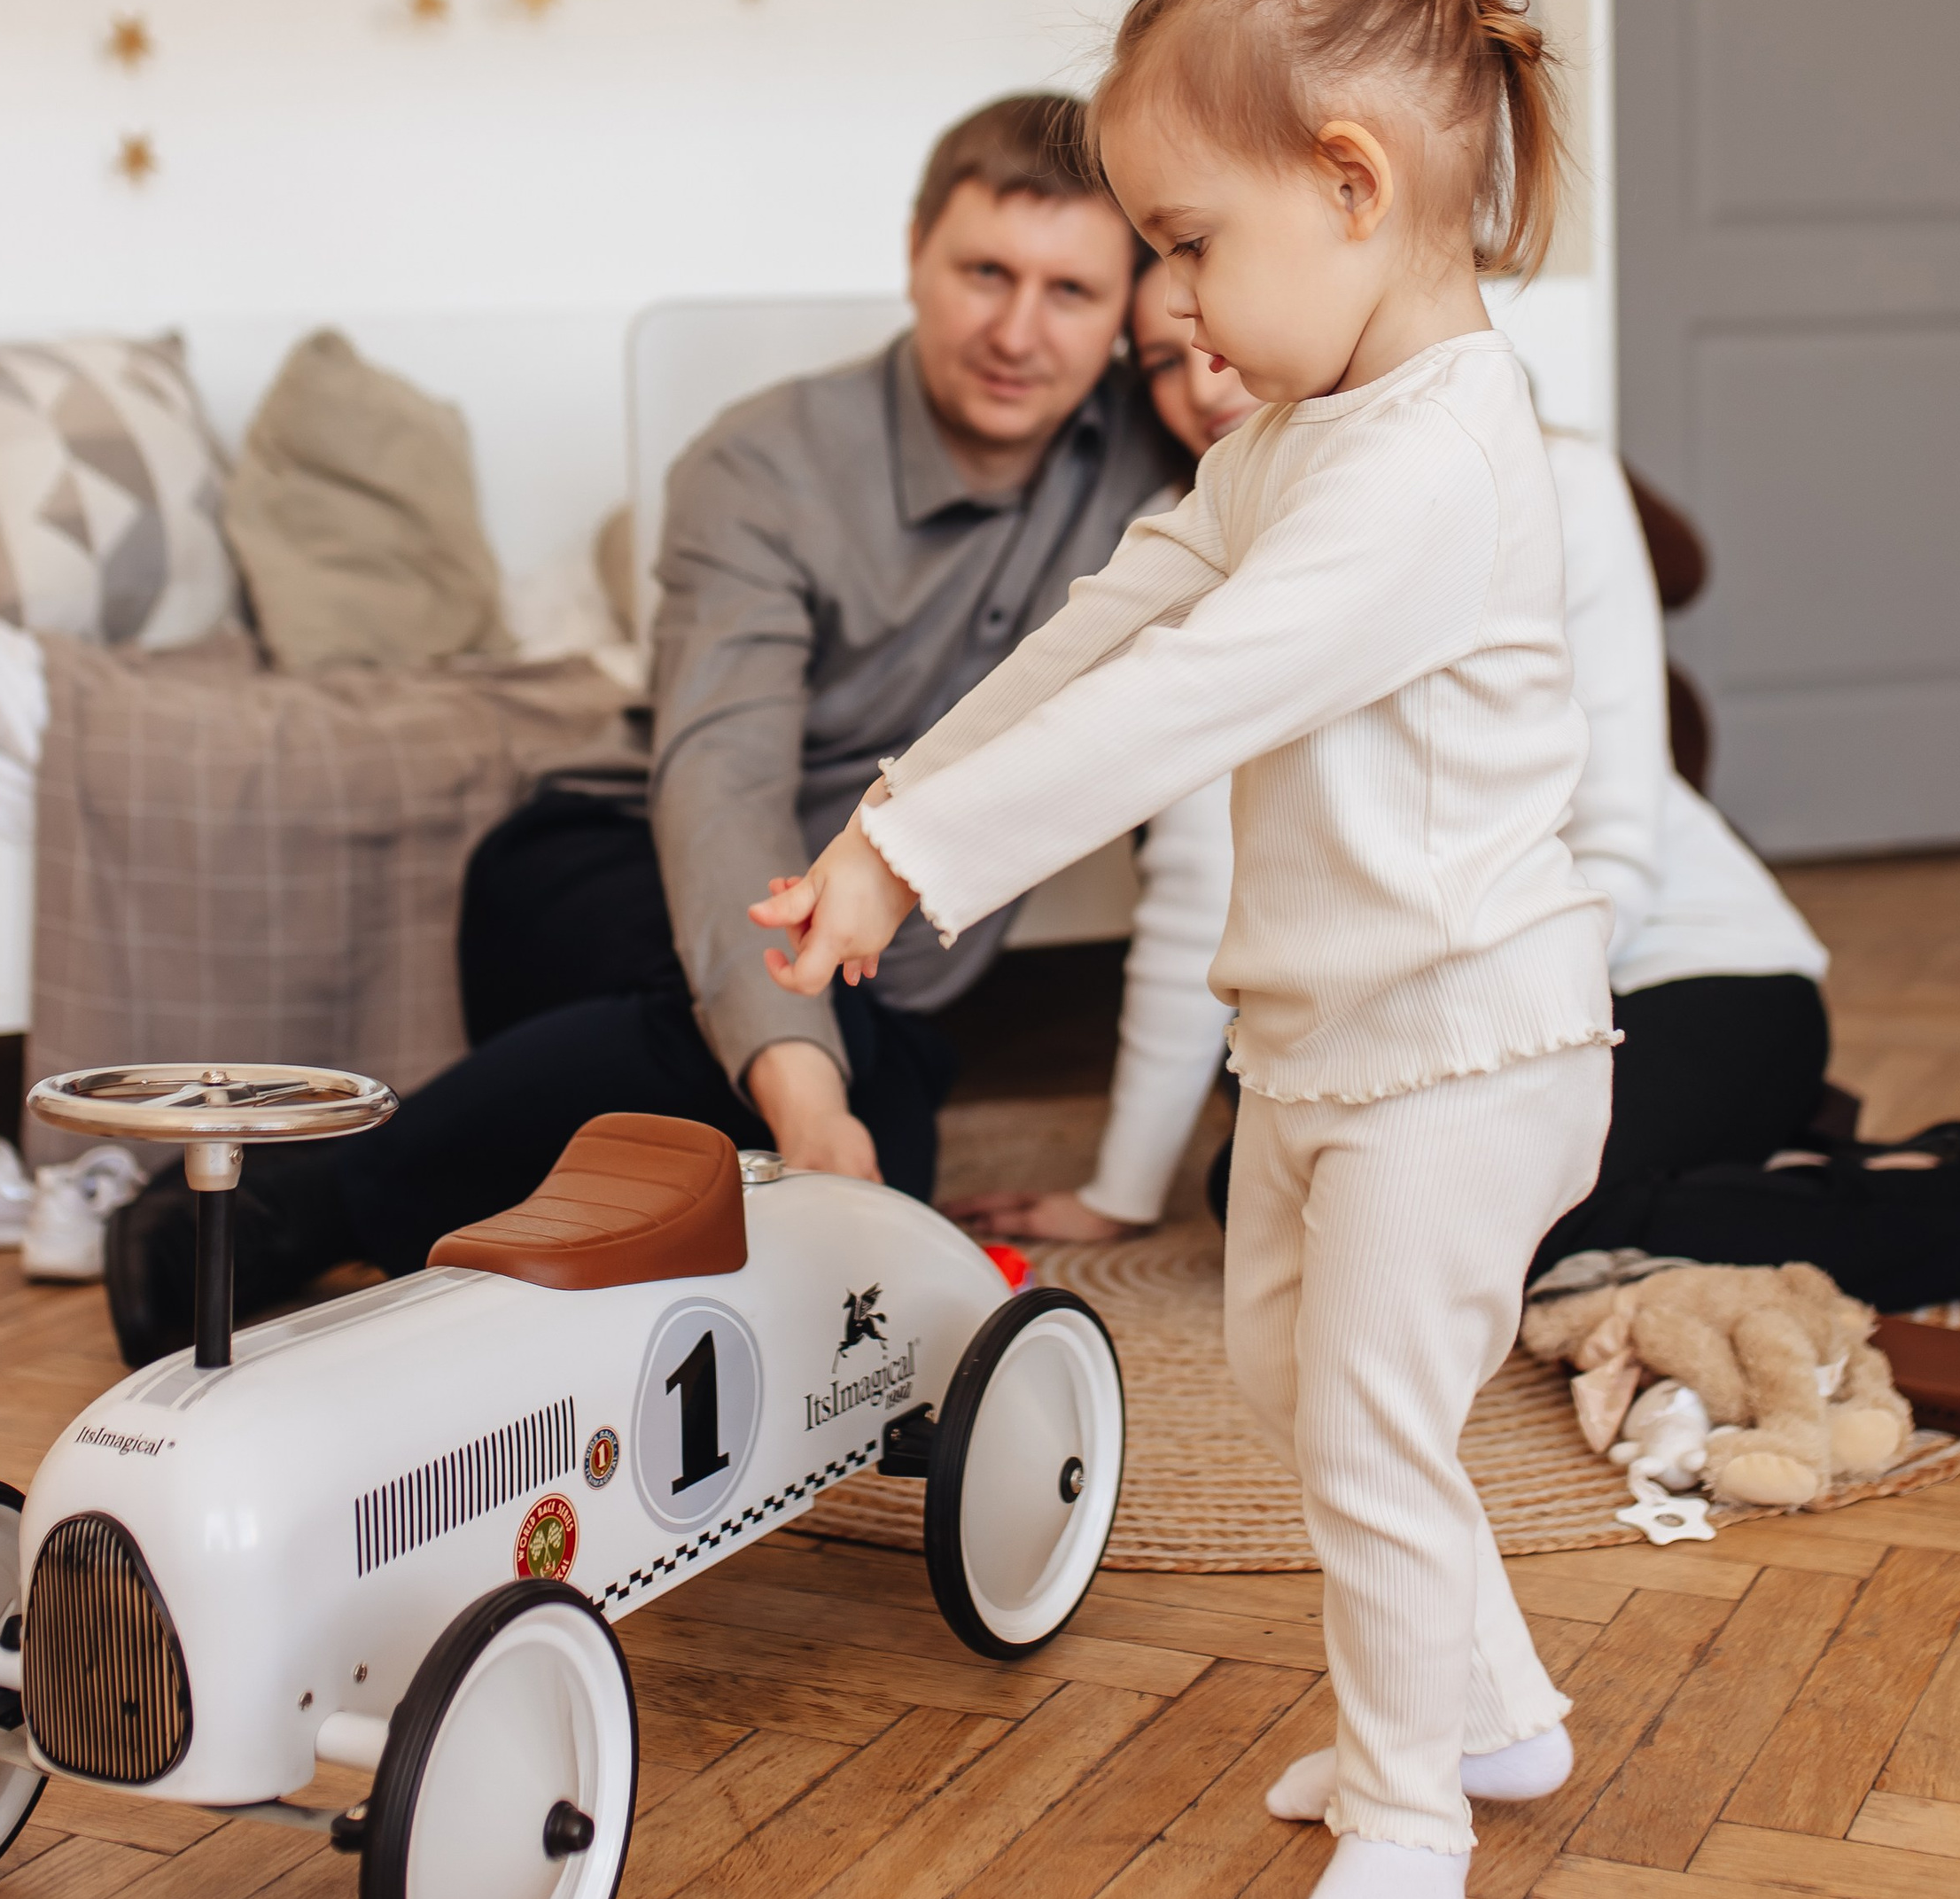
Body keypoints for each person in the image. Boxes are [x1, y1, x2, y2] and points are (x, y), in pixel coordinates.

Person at [750, 0, 1615, 1899]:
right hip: (1324, 1043)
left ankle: (1407, 1807)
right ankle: (1489, 1706)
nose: (1178, 309)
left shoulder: (1433, 467)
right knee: (1285, 1376)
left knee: (1368, 1429)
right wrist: (888, 814)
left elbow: (1187, 697)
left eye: (1191, 244)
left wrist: (918, 859)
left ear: (1351, 185)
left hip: (1468, 1051)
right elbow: (1116, 615)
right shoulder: (1308, 436)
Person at [103, 91, 1175, 1366]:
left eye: (1070, 291)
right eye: (985, 272)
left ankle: (502, 1239)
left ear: (1129, 308)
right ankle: (305, 1203)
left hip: (859, 965)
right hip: (617, 869)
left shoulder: (1160, 460)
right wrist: (808, 1097)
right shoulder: (761, 462)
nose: (1017, 332)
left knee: (876, 1112)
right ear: (913, 254)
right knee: (829, 1091)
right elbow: (722, 781)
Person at [959, 289, 1960, 1297]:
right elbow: (1196, 892)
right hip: (1432, 1019)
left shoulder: (1550, 478)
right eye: (1162, 359)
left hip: (1676, 972)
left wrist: (1490, 1069)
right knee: (1259, 1201)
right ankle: (1793, 1177)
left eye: (1216, 326)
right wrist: (1120, 1191)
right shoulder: (1206, 546)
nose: (1201, 381)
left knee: (1460, 1225)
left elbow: (1616, 836)